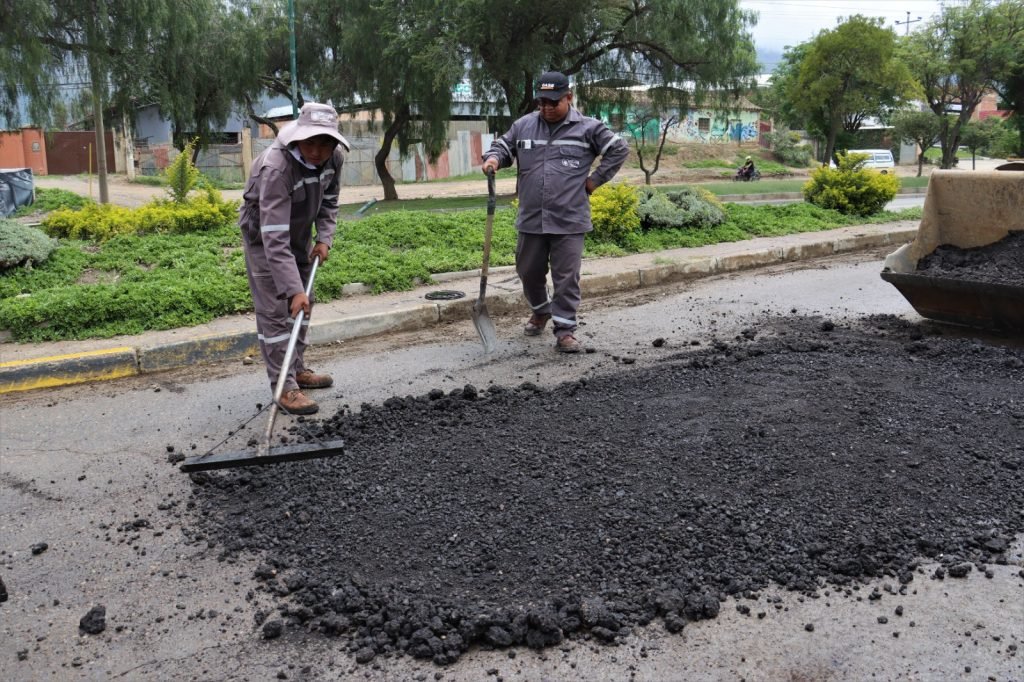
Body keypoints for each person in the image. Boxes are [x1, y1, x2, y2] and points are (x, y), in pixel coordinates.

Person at [481, 71, 629, 353]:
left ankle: (565, 331)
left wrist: (595, 181)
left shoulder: (589, 128)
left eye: (553, 102)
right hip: (531, 217)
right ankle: (541, 310)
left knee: (566, 279)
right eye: (542, 103)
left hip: (569, 219)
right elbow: (504, 145)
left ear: (568, 98)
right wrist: (493, 158)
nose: (547, 108)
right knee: (527, 271)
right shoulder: (525, 125)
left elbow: (618, 149)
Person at [238, 102, 349, 415]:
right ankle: (284, 388)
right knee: (277, 313)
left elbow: (329, 202)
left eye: (325, 143)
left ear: (334, 143)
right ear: (299, 138)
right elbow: (274, 238)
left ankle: (296, 370)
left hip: (298, 236)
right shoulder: (276, 168)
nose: (317, 151)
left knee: (303, 306)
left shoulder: (333, 159)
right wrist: (292, 289)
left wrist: (324, 238)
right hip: (264, 240)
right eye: (311, 142)